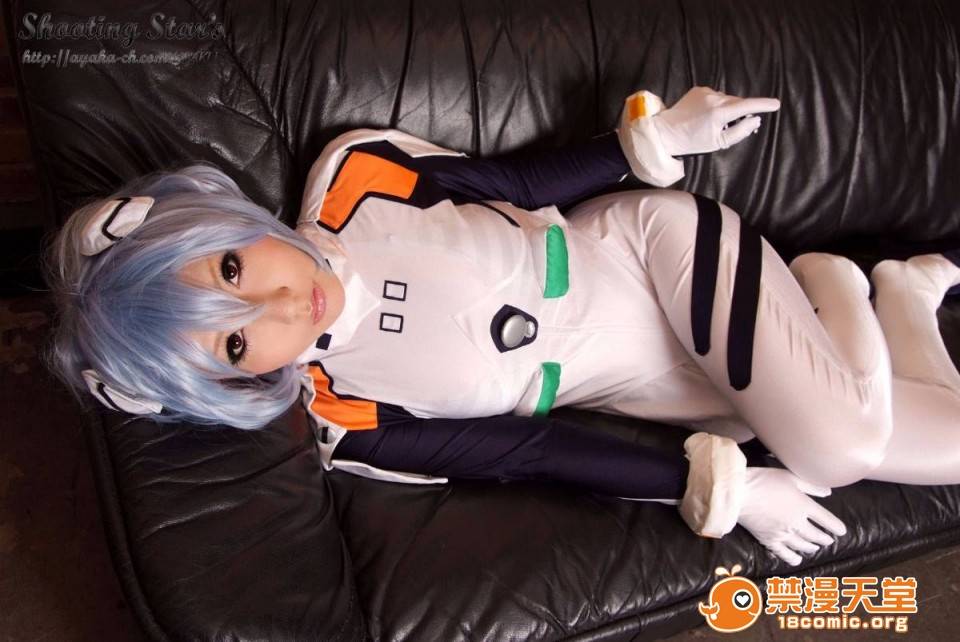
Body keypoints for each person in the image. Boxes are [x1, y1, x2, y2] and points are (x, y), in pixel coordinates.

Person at [45, 87, 960, 566]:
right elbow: (535, 452)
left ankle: (835, 281)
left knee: (837, 448)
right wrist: (730, 490)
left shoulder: (355, 179)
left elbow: (512, 185)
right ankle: (902, 297)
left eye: (231, 271)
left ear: (221, 222)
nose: (285, 306)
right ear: (227, 384)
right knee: (933, 442)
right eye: (237, 342)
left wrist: (655, 142)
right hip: (673, 389)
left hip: (653, 254)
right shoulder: (347, 420)